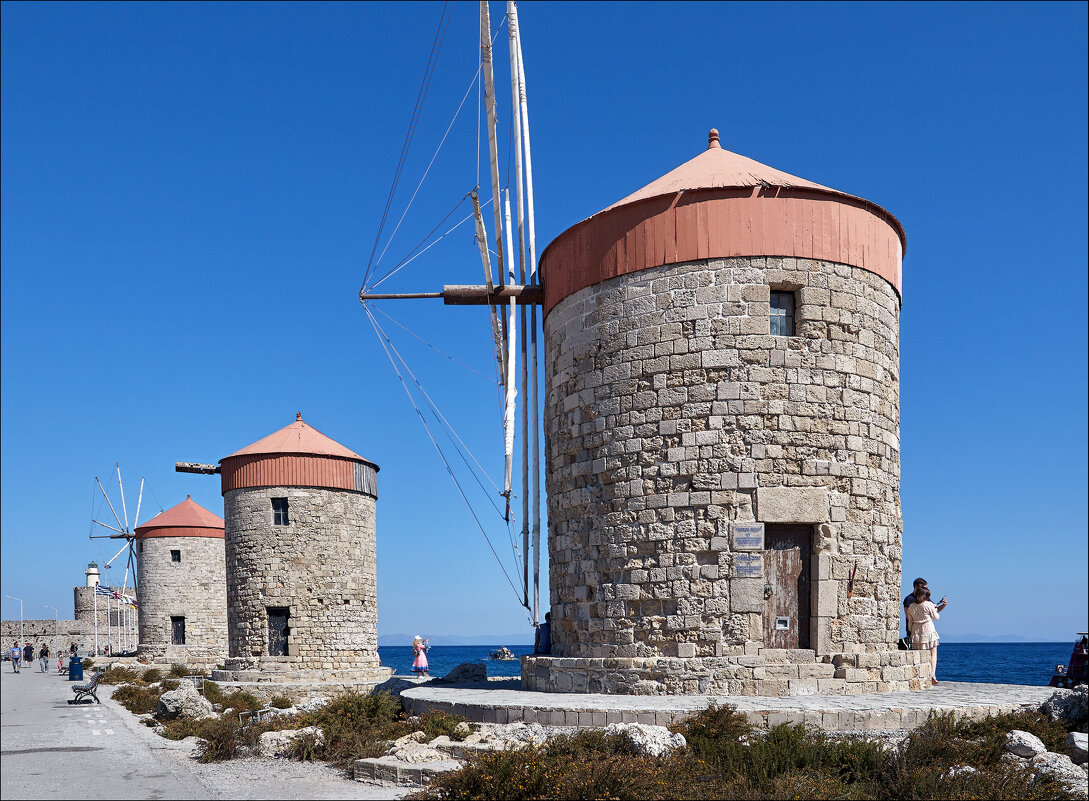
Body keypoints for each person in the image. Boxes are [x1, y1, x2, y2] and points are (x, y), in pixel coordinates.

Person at [907, 586, 942, 684]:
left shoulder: (911, 606)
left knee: (919, 652)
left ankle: (919, 675)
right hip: (928, 629)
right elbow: (936, 617)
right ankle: (932, 674)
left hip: (916, 630)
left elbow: (910, 621)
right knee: (933, 652)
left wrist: (911, 631)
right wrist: (934, 609)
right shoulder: (928, 604)